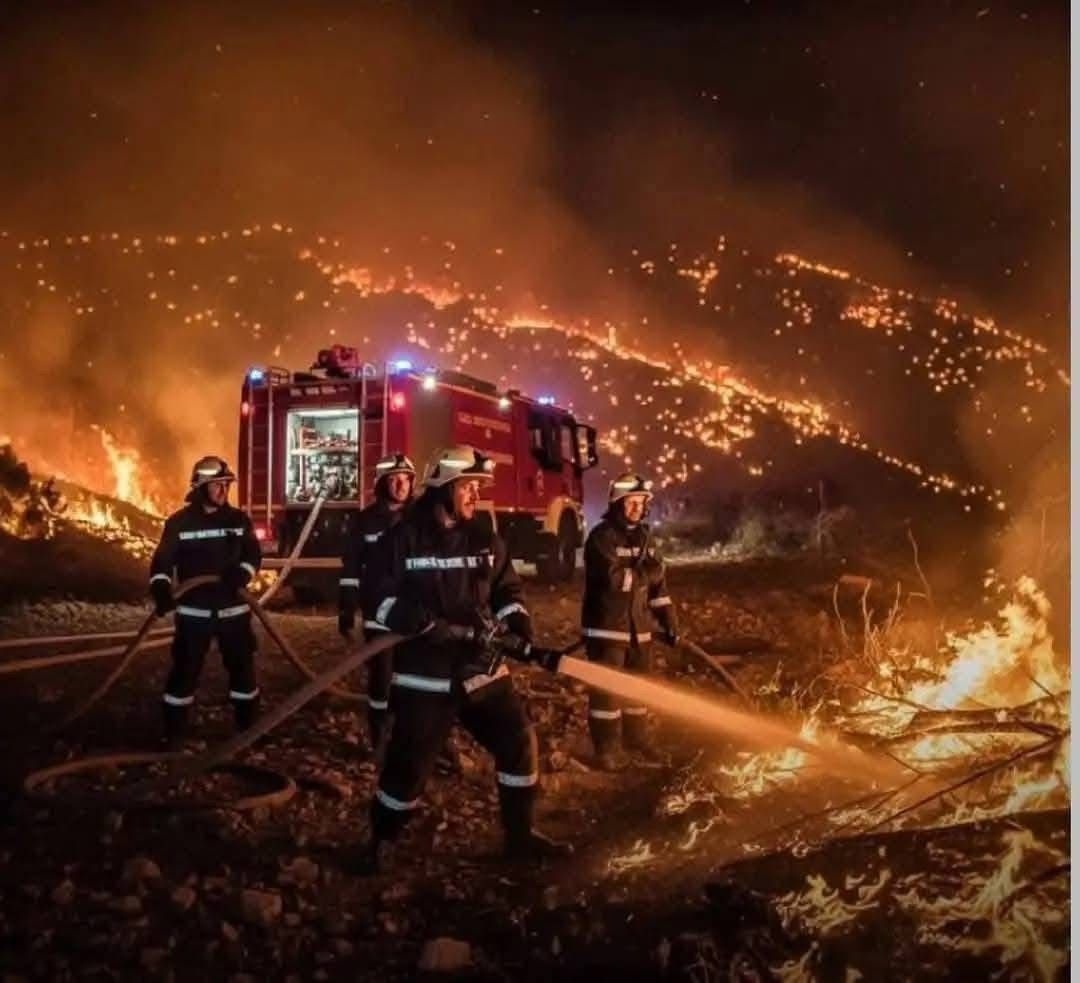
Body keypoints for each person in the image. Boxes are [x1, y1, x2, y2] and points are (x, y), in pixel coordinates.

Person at [354, 445, 570, 872]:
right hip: (426, 678)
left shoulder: (485, 538)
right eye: (468, 487)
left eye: (477, 487)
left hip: (481, 668)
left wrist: (518, 624)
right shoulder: (400, 539)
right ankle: (383, 840)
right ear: (442, 489)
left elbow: (507, 591)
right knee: (408, 767)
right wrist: (414, 620)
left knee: (518, 742)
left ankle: (520, 836)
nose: (475, 495)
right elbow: (374, 599)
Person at [148, 456, 262, 748]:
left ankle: (247, 729)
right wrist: (161, 590)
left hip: (233, 611)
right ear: (200, 487)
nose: (224, 490)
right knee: (184, 671)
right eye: (217, 485)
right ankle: (173, 734)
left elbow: (253, 555)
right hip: (194, 613)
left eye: (226, 484)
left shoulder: (238, 520)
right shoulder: (179, 523)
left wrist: (243, 574)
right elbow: (162, 562)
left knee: (242, 672)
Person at [581, 472, 678, 770]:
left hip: (639, 629)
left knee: (638, 689)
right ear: (617, 504)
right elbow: (615, 582)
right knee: (607, 692)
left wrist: (668, 619)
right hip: (607, 628)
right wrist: (648, 574)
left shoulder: (644, 538)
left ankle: (637, 740)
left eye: (641, 502)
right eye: (631, 503)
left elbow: (657, 588)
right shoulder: (601, 538)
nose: (637, 508)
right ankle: (607, 749)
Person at [338, 452, 416, 753]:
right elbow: (350, 569)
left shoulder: (420, 518)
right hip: (378, 614)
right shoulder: (364, 521)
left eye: (406, 480)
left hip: (414, 614)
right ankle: (379, 736)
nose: (401, 486)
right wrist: (346, 610)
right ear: (382, 484)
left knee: (412, 676)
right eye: (394, 480)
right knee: (381, 678)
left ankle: (410, 737)